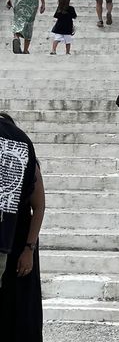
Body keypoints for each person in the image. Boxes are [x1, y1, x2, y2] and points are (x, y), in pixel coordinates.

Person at [0, 111, 44, 342]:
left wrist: (29, 248)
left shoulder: (22, 155)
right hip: (9, 237)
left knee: (19, 309)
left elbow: (39, 206)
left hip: (20, 238)